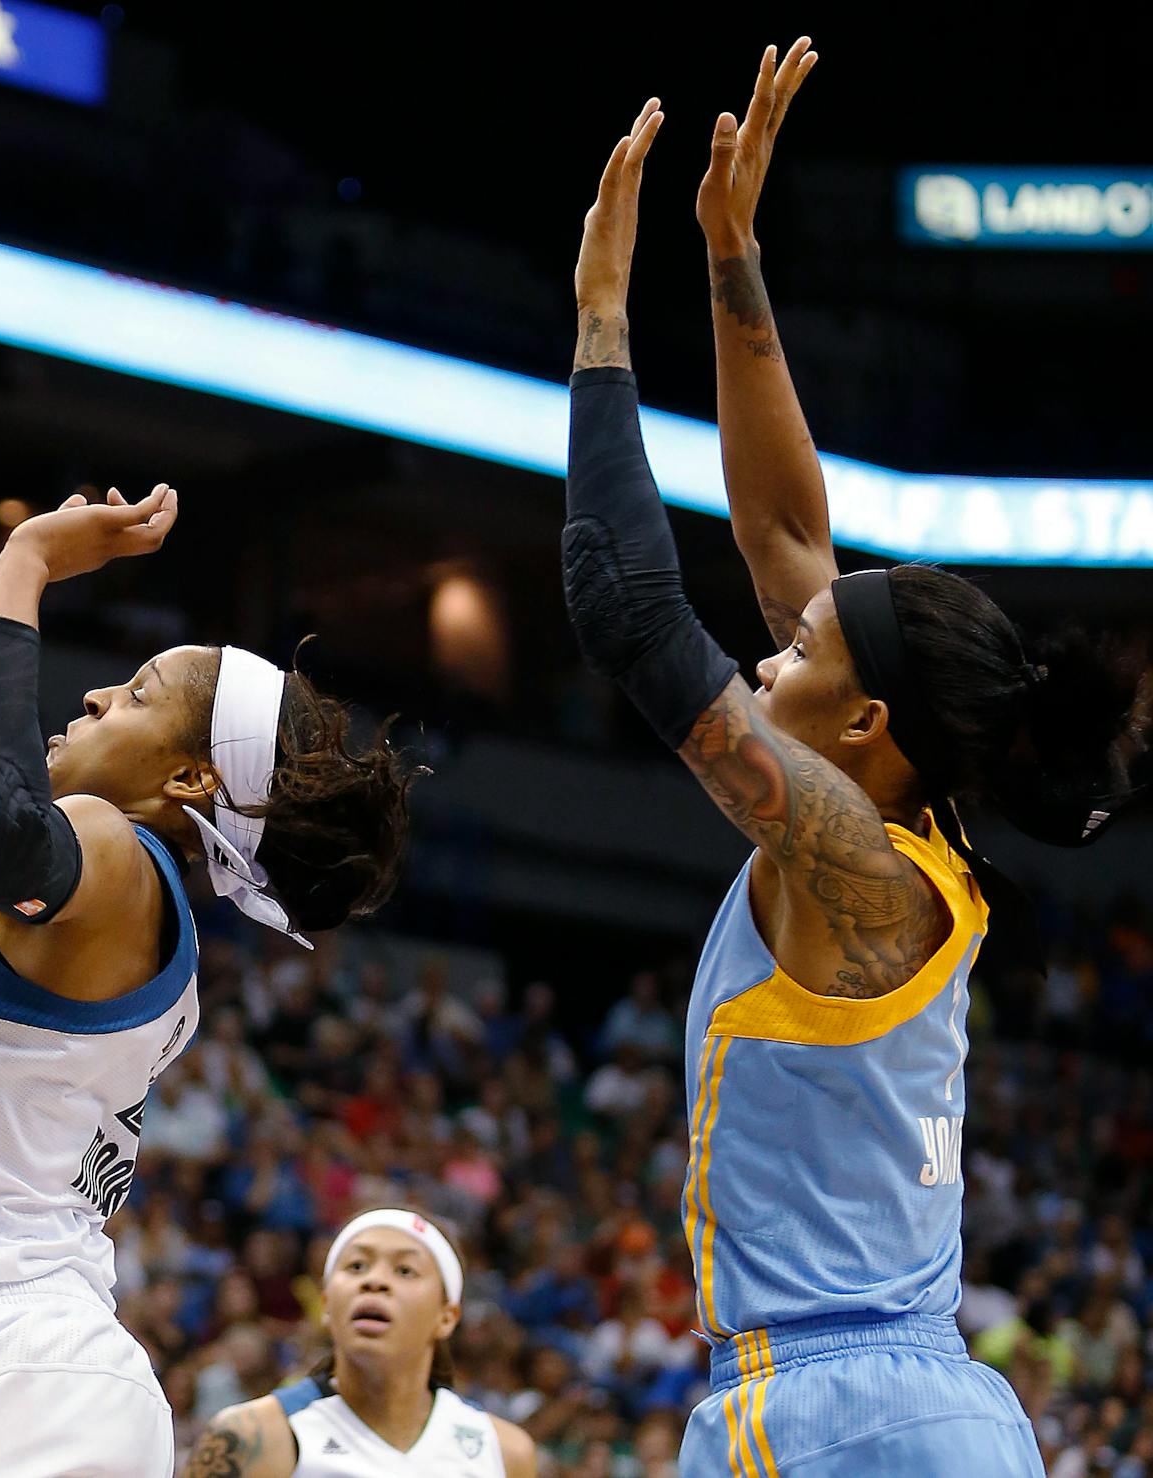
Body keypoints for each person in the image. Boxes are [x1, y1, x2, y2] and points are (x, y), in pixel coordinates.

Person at [564, 47, 1147, 1476]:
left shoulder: (846, 858)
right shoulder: (911, 828)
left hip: (829, 1414)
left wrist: (596, 326)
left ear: (863, 720)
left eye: (796, 653)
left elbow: (628, 605)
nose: (767, 657)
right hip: (937, 1410)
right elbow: (782, 538)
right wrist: (730, 258)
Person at [0, 489, 420, 1474]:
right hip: (33, 1370)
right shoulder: (145, 930)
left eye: (137, 695)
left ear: (188, 781)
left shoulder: (112, 848)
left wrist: (23, 564)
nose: (95, 697)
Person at [190, 1210, 534, 1476]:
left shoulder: (504, 1452)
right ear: (326, 1306)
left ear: (447, 1316)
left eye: (405, 1271)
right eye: (357, 1266)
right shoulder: (249, 1437)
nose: (374, 1281)